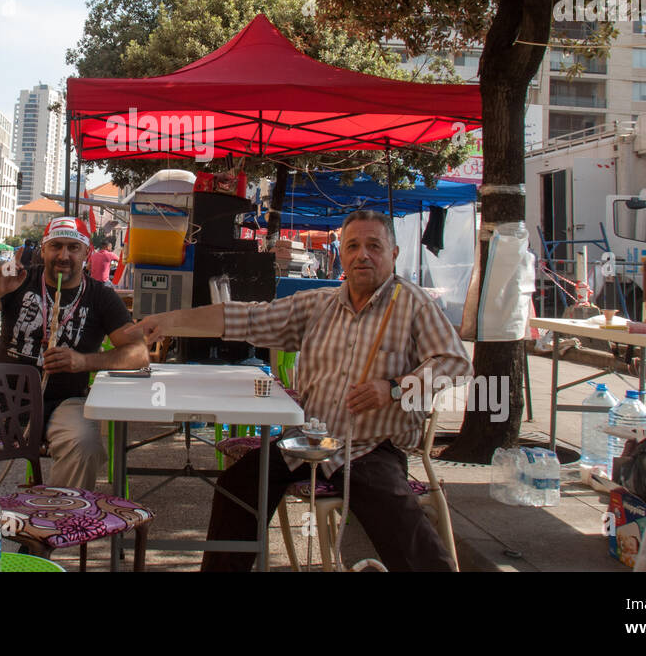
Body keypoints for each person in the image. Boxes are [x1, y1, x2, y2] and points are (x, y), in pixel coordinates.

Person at [140, 209, 469, 571]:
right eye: (353, 245)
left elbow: (455, 365)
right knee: (238, 484)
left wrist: (393, 389)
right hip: (308, 441)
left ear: (393, 254)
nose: (363, 254)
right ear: (341, 253)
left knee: (402, 524)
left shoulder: (413, 303)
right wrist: (166, 321)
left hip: (372, 445)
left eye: (374, 246)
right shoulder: (319, 304)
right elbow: (244, 318)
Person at [0, 216, 149, 490]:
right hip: (1, 395)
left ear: (87, 253)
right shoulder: (19, 280)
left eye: (73, 247)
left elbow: (139, 354)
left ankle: (60, 523)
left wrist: (84, 361)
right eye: (56, 246)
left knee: (84, 445)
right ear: (43, 250)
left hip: (64, 402)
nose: (64, 255)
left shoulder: (101, 297)